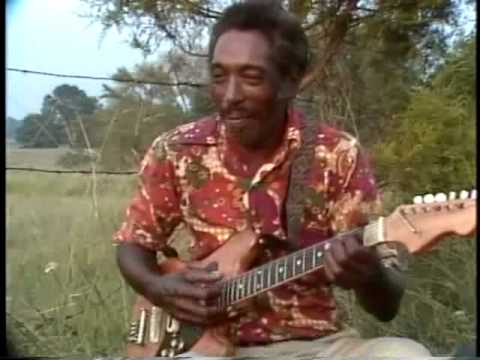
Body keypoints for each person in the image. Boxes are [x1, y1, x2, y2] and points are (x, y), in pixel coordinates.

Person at [114, 1, 433, 358]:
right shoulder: (176, 150)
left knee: (404, 355)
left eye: (250, 77)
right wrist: (158, 288)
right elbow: (133, 245)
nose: (230, 96)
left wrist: (368, 275)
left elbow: (386, 307)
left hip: (319, 346)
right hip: (207, 347)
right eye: (219, 76)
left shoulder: (336, 153)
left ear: (290, 81)